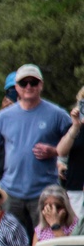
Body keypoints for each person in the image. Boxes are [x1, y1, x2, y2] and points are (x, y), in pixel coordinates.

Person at [0, 64, 72, 236]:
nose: (29, 87)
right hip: (11, 190)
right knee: (11, 241)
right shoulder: (3, 116)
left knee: (47, 239)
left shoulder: (57, 114)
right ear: (16, 87)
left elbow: (74, 141)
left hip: (44, 191)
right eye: (24, 83)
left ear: (41, 85)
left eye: (34, 82)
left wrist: (55, 151)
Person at [56, 88, 84, 220]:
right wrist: (75, 126)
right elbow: (61, 151)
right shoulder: (75, 128)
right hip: (76, 189)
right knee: (76, 232)